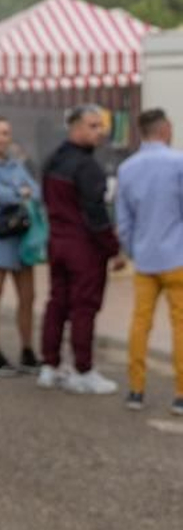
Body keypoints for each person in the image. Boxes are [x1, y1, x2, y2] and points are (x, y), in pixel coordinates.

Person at [39, 104, 121, 395]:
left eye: (100, 126)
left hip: (57, 242)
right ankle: (83, 370)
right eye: (93, 126)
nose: (101, 131)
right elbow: (95, 214)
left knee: (57, 303)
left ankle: (49, 366)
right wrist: (113, 248)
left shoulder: (52, 160)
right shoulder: (88, 167)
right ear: (75, 127)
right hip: (83, 248)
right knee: (83, 307)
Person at [115, 108, 183, 414]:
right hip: (177, 257)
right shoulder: (178, 163)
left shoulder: (127, 168)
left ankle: (136, 390)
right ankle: (181, 395)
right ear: (166, 128)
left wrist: (133, 250)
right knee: (180, 325)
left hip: (144, 259)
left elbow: (124, 221)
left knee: (140, 323)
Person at [0, 116, 42, 376]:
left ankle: (27, 349)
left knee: (28, 296)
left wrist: (17, 192)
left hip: (22, 239)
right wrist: (19, 192)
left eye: (6, 132)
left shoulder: (16, 164)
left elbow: (35, 191)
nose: (2, 138)